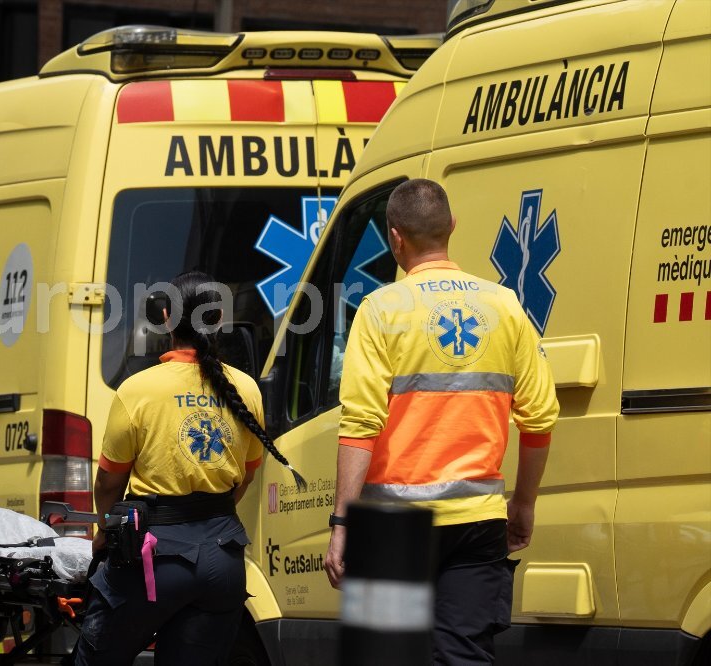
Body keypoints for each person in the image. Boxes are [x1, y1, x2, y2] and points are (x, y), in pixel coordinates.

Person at [323, 179, 559, 664]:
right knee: (463, 655)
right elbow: (539, 417)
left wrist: (342, 522)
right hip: (478, 521)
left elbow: (361, 425)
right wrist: (524, 503)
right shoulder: (504, 304)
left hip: (392, 526)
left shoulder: (380, 310)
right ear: (452, 225)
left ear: (395, 237)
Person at [75, 270, 307, 666]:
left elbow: (109, 481)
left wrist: (104, 531)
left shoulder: (138, 390)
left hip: (152, 559)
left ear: (166, 317)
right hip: (222, 561)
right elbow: (246, 474)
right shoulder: (245, 389)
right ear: (219, 319)